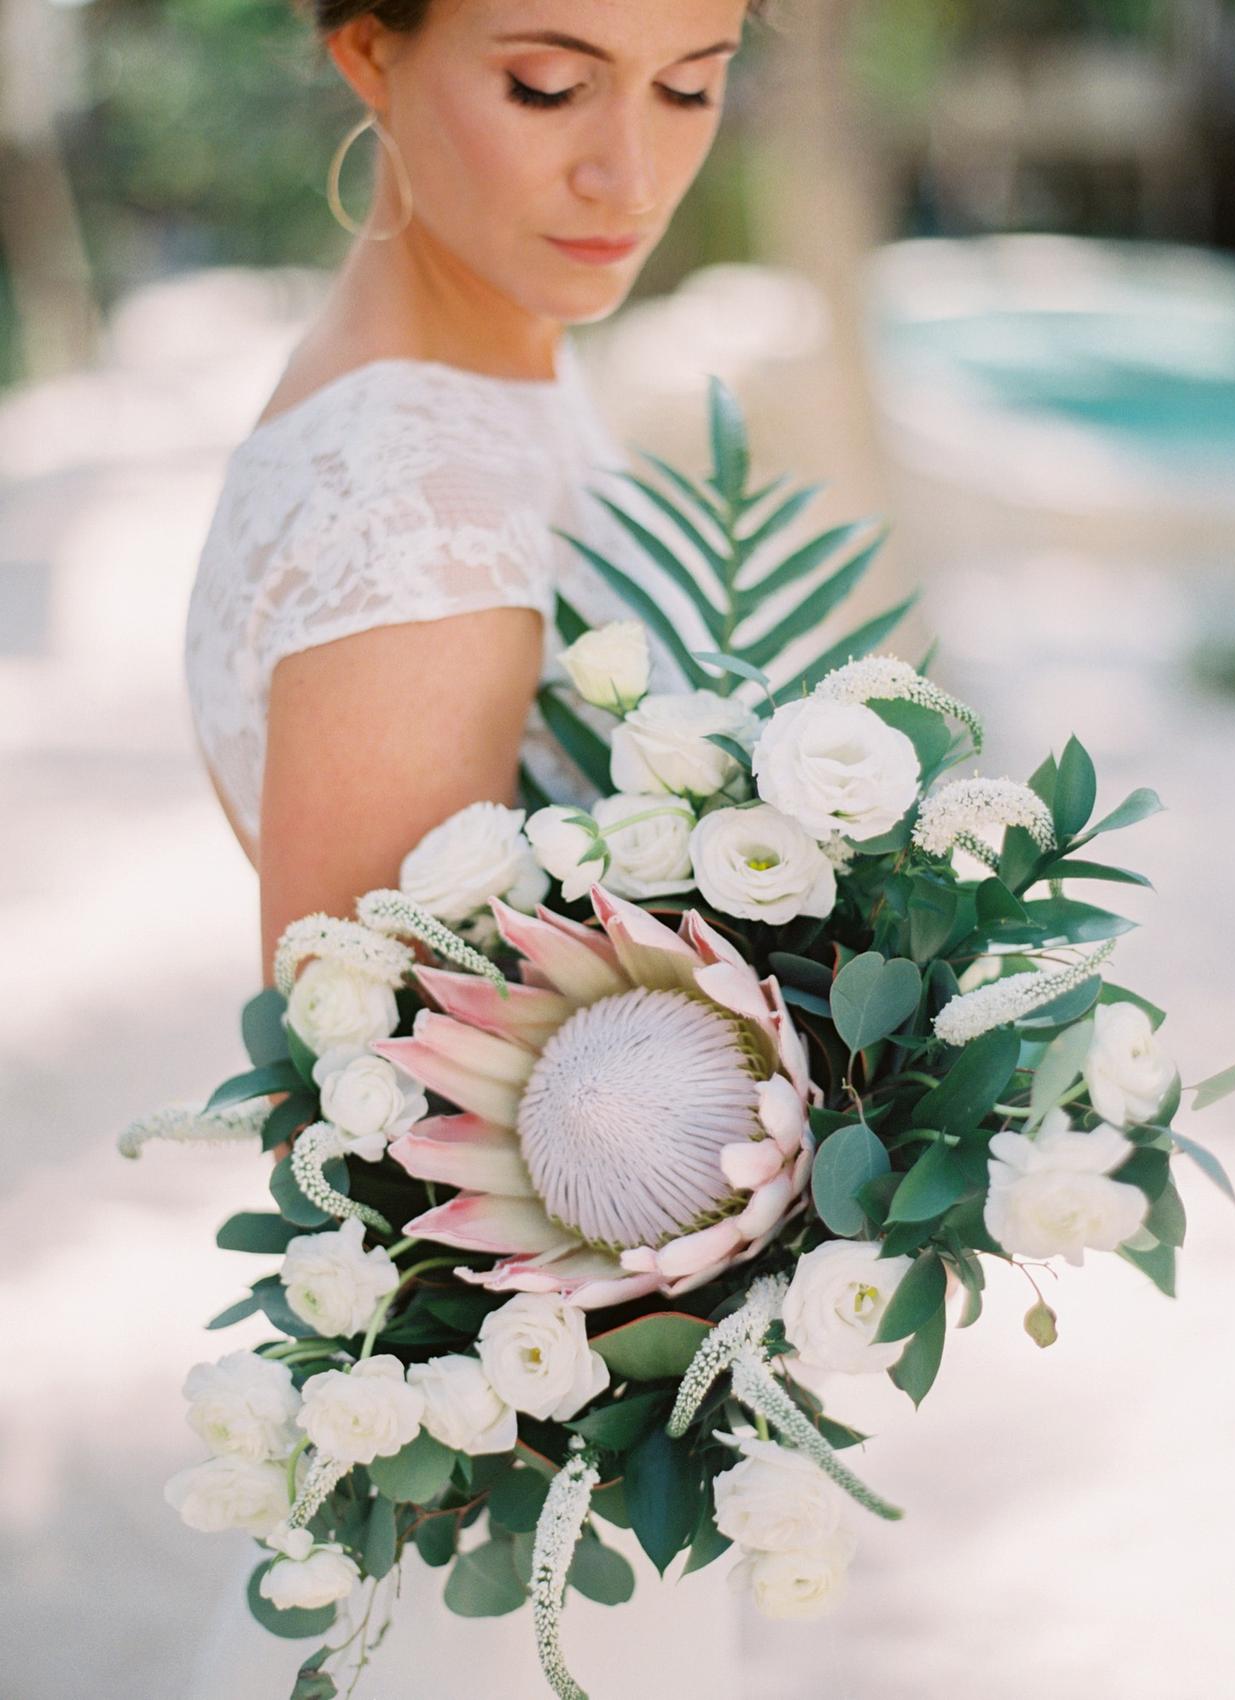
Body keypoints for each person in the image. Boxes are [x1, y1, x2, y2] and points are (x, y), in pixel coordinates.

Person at [180, 1, 766, 1692]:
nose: (629, 167)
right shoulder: (416, 507)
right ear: (368, 56)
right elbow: (390, 1146)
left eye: (691, 86)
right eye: (543, 83)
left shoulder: (499, 347)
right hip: (516, 1484)